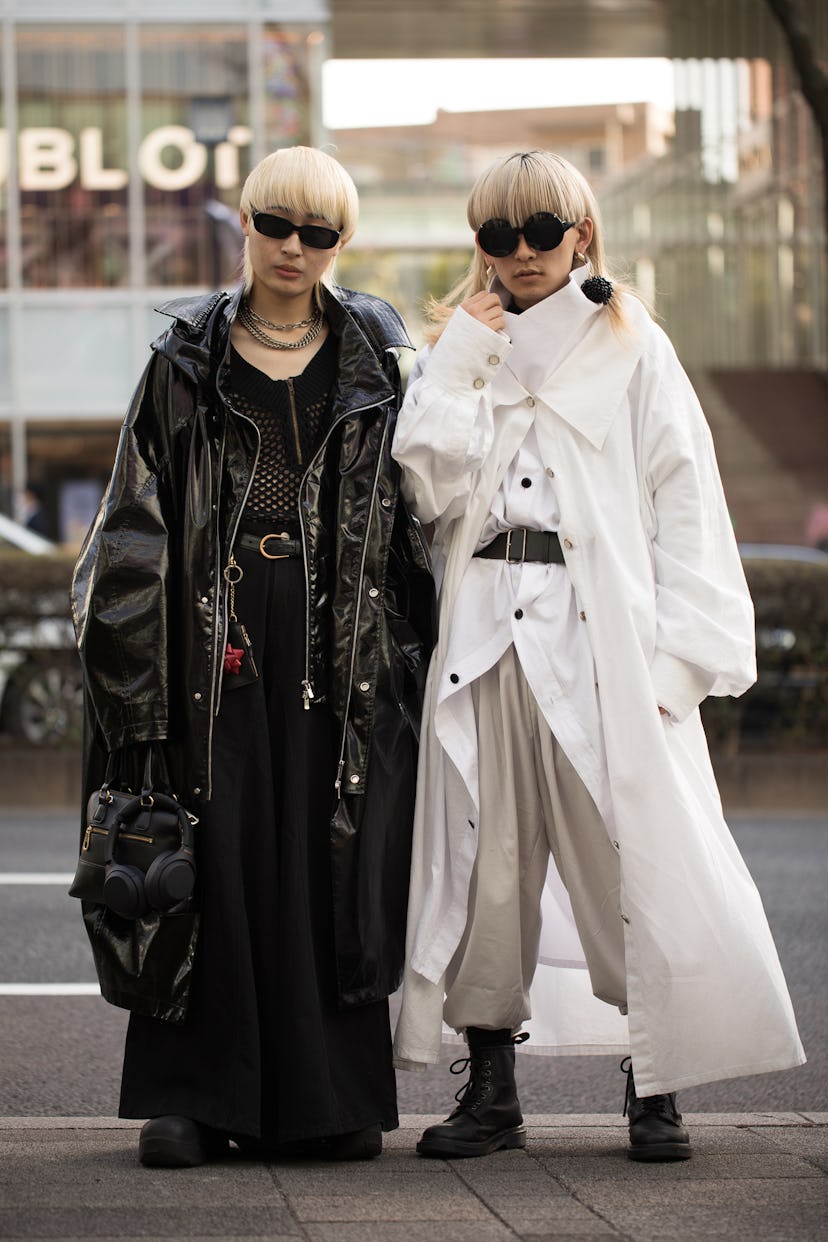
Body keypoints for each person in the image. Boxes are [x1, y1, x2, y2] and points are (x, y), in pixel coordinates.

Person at [390, 150, 804, 1163]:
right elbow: (427, 495)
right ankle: (490, 1087)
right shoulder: (458, 349)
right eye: (499, 235)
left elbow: (688, 507)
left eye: (542, 229)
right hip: (486, 640)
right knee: (489, 863)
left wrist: (679, 666)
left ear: (583, 233)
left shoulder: (636, 346)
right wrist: (456, 367)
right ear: (479, 247)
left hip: (601, 641)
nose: (522, 252)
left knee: (630, 858)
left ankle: (653, 1084)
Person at [71, 145, 435, 1168]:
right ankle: (192, 1097)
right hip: (210, 629)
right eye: (278, 223)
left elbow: (421, 515)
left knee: (330, 851)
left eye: (319, 233)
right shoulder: (186, 355)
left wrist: (407, 655)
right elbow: (132, 530)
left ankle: (328, 1100)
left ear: (342, 243)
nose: (294, 247)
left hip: (340, 633)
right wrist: (140, 698)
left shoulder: (379, 356)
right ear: (245, 220)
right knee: (215, 848)